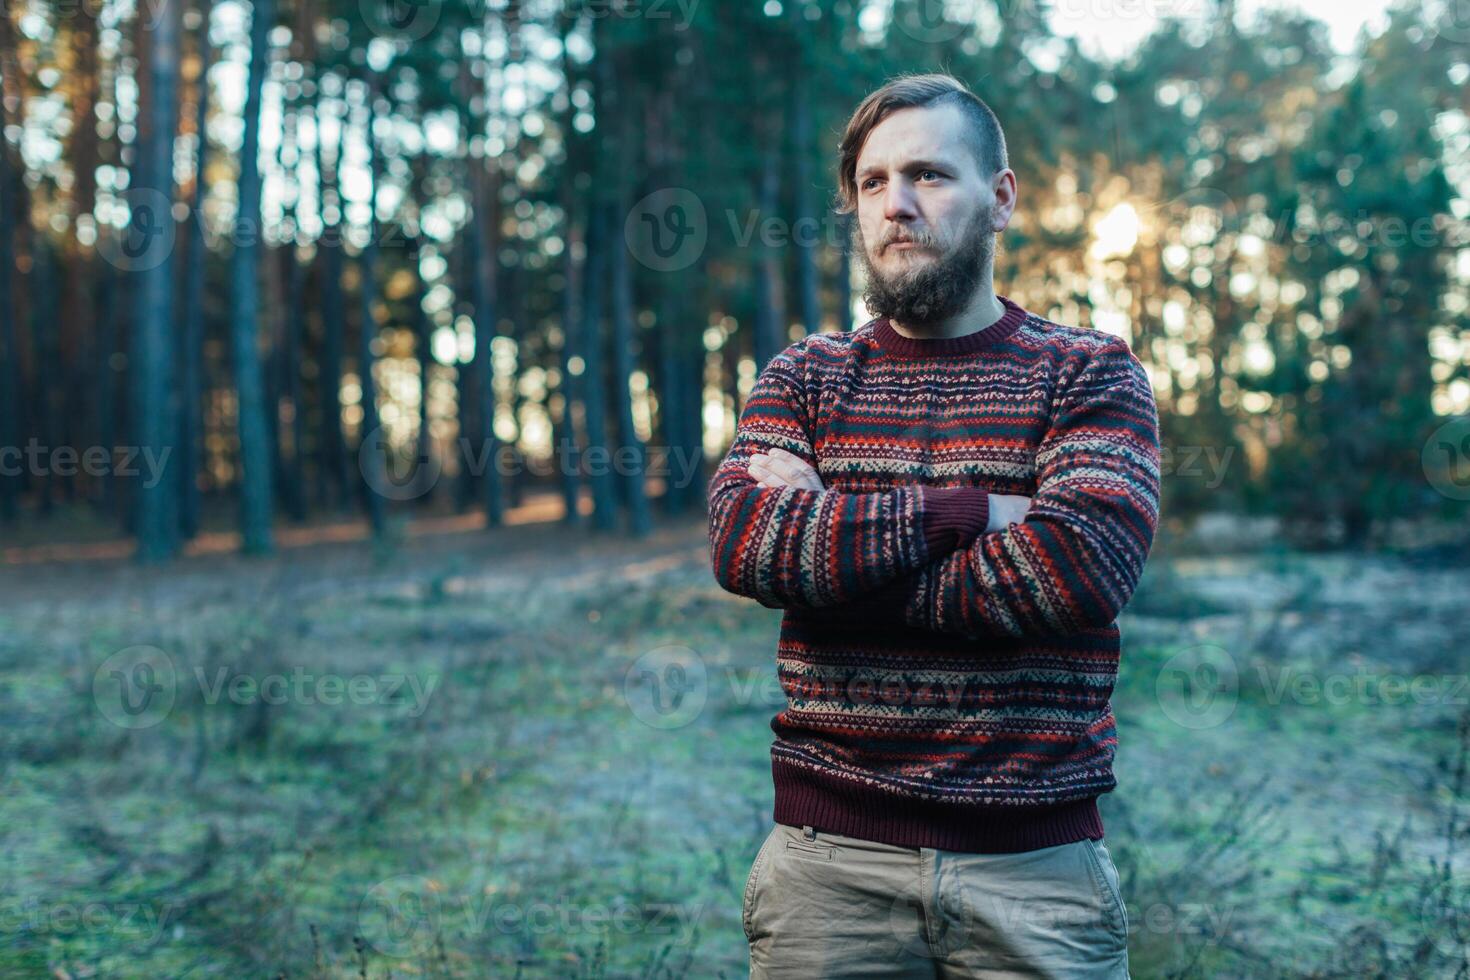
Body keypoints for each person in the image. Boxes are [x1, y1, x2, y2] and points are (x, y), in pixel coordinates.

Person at [706, 72, 1161, 978]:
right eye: (872, 184)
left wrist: (831, 559)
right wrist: (969, 512)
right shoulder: (806, 376)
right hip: (825, 873)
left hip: (1035, 875)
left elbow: (1076, 569)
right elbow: (744, 543)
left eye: (929, 176)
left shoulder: (1088, 373)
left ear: (1000, 199)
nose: (896, 206)